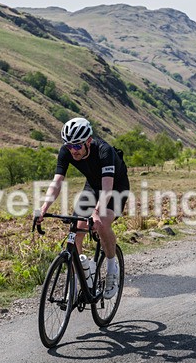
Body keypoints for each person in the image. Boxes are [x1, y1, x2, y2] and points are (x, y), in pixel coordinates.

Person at [35, 117, 130, 299]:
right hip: (93, 187)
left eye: (77, 146)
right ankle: (84, 272)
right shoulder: (67, 151)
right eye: (69, 146)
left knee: (101, 222)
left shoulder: (104, 151)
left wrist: (96, 212)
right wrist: (44, 207)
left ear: (88, 141)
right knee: (77, 228)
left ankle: (111, 269)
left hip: (115, 188)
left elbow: (108, 188)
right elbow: (57, 182)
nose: (73, 150)